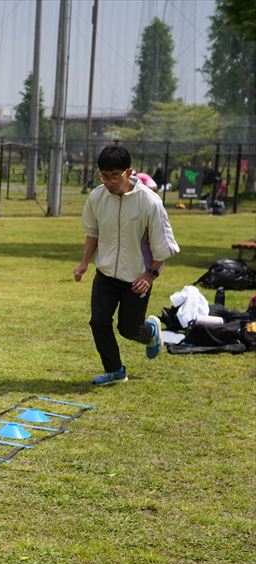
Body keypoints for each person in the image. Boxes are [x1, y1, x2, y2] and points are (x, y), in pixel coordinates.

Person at [74, 145, 180, 386]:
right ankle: (115, 371)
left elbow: (163, 245)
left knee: (129, 330)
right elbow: (93, 233)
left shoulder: (149, 202)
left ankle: (150, 331)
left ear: (129, 172)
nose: (109, 182)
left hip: (137, 278)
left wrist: (150, 275)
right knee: (98, 322)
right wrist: (84, 263)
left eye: (115, 176)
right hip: (105, 274)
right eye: (104, 176)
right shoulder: (97, 197)